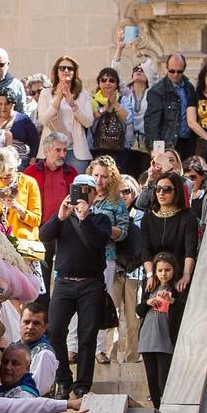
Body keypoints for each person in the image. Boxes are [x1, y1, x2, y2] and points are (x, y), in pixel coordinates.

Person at [39, 174, 112, 398]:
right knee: (55, 329)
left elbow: (99, 241)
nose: (80, 193)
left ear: (93, 193)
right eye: (76, 189)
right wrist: (60, 217)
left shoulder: (101, 218)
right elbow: (45, 236)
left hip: (91, 283)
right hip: (64, 282)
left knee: (87, 335)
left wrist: (85, 218)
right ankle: (63, 379)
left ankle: (82, 385)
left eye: (85, 189)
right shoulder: (64, 216)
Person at [85, 157, 131, 366]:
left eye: (104, 176)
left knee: (101, 302)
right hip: (81, 255)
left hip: (106, 257)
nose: (99, 181)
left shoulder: (116, 202)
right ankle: (74, 347)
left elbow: (123, 233)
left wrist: (101, 227)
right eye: (96, 175)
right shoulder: (81, 196)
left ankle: (101, 349)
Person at [22, 132, 79, 291]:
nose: (62, 154)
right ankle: (41, 312)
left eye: (64, 151)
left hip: (66, 232)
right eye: (58, 150)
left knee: (64, 278)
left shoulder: (72, 172)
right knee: (41, 279)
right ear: (46, 151)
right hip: (40, 231)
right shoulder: (31, 171)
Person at [135, 170, 199, 306]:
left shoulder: (188, 217)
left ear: (177, 192)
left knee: (175, 318)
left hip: (179, 275)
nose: (161, 193)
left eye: (167, 189)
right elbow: (145, 250)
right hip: (154, 275)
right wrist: (150, 275)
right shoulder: (148, 217)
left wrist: (186, 275)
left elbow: (190, 249)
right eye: (158, 189)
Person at [103, 175, 142, 364]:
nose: (123, 196)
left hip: (136, 271)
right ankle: (108, 356)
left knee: (133, 318)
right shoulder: (109, 212)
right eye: (119, 192)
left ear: (135, 192)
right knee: (110, 316)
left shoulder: (142, 213)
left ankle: (133, 358)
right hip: (114, 268)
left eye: (127, 191)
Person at [137, 251, 185, 408]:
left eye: (167, 270)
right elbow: (138, 310)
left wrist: (171, 301)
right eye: (160, 270)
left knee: (163, 377)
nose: (163, 274)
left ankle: (167, 409)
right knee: (151, 377)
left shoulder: (178, 288)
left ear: (174, 270)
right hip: (147, 338)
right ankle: (157, 409)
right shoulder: (150, 286)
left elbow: (181, 312)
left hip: (165, 339)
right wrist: (149, 302)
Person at [37, 56, 94, 172]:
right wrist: (58, 99)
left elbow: (88, 122)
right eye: (62, 68)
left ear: (75, 72)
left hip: (75, 151)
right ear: (56, 71)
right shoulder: (46, 93)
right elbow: (42, 120)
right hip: (52, 149)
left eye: (70, 68)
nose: (66, 71)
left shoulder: (83, 94)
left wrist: (72, 103)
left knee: (76, 187)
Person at [0, 146, 42, 243]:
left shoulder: (29, 183)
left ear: (16, 168)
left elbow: (36, 220)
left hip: (22, 242)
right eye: (0, 177)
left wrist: (17, 208)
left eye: (8, 176)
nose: (4, 181)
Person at [144, 53, 197, 159]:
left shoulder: (189, 87)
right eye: (172, 71)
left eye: (180, 71)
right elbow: (152, 123)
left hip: (188, 143)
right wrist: (157, 151)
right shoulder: (157, 91)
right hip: (169, 144)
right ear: (166, 68)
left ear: (184, 69)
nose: (176, 74)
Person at [89, 67, 132, 172]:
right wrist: (104, 108)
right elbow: (88, 120)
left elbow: (129, 119)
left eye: (112, 80)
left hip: (120, 150)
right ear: (99, 83)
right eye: (103, 80)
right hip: (96, 149)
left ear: (116, 84)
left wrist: (115, 104)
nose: (107, 83)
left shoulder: (123, 100)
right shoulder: (92, 100)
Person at [19, 302, 58, 395]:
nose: (30, 327)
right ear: (20, 322)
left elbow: (35, 392)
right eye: (26, 322)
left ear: (45, 327)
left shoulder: (44, 354)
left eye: (36, 323)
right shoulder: (14, 346)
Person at [1, 88, 39, 167]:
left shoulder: (23, 119)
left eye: (7, 104)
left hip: (20, 162)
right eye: (0, 104)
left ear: (13, 104)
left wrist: (33, 159)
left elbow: (34, 141)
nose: (3, 107)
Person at [183, 156, 207, 223]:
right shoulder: (181, 196)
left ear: (203, 176)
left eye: (193, 177)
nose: (190, 182)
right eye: (186, 178)